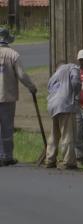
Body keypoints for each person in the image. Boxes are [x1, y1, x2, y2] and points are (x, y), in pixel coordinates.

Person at [0, 28, 37, 167]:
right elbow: (21, 75)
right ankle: (6, 156)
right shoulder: (13, 55)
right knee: (7, 128)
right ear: (8, 39)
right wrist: (31, 87)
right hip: (7, 97)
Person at [45, 62, 81, 169]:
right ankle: (69, 162)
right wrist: (76, 96)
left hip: (52, 106)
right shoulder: (72, 67)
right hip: (65, 105)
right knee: (67, 133)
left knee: (54, 134)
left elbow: (49, 89)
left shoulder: (54, 76)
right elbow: (76, 82)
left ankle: (50, 159)